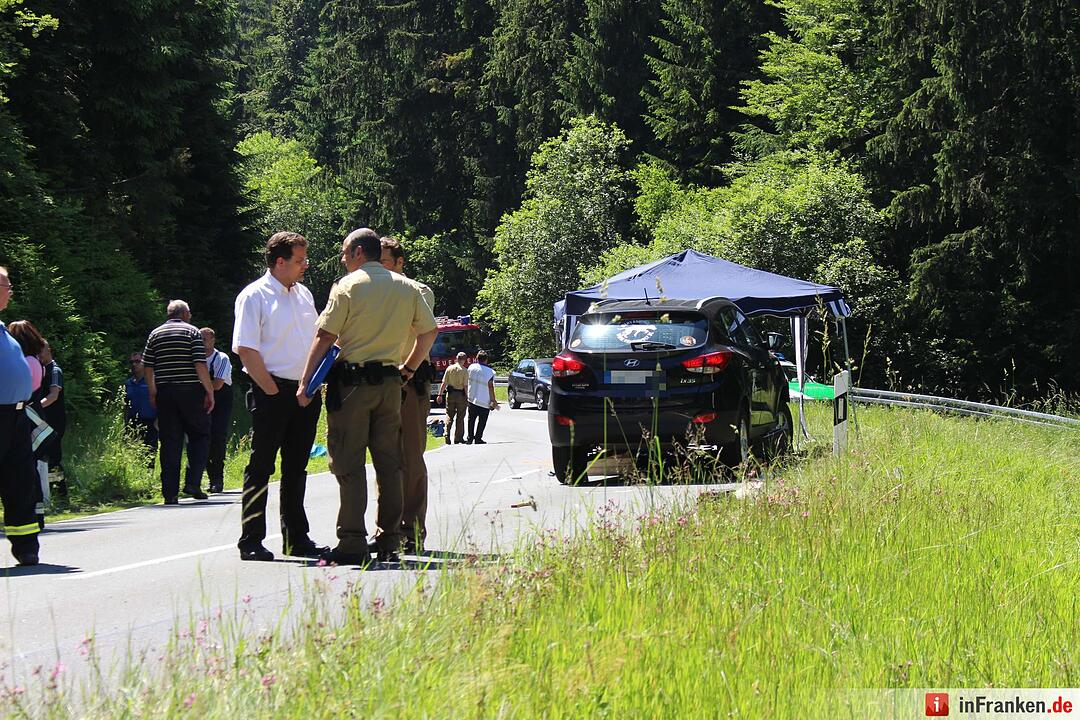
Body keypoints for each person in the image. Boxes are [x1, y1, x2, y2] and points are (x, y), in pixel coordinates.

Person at [296, 228, 437, 565]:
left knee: (348, 462)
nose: (343, 259)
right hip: (391, 384)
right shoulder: (407, 287)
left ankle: (352, 542)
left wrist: (305, 384)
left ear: (359, 252)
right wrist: (407, 369)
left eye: (345, 253)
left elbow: (325, 335)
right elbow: (429, 331)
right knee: (390, 464)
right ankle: (389, 540)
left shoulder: (348, 286)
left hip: (353, 385)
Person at [233, 231, 326, 561]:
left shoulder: (304, 295)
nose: (305, 266)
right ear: (280, 261)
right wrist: (271, 391)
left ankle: (296, 538)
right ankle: (251, 539)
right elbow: (245, 348)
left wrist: (309, 386)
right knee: (261, 466)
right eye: (300, 260)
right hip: (271, 389)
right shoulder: (254, 296)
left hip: (305, 391)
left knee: (297, 467)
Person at [380, 235, 435, 552]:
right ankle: (387, 530)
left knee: (411, 459)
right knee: (386, 460)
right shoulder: (368, 290)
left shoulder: (419, 291)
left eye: (385, 261)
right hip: (379, 383)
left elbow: (419, 332)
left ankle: (413, 531)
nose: (380, 268)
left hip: (409, 381)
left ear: (400, 263)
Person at [142, 300, 215, 504]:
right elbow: (199, 364)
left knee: (169, 441)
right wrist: (209, 392)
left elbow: (148, 365)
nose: (190, 317)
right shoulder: (192, 332)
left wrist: (153, 391)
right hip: (190, 391)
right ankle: (192, 482)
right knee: (200, 435)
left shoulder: (155, 334)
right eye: (189, 313)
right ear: (184, 314)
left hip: (165, 392)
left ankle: (170, 493)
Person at [0, 266, 42, 566]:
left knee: (21, 480)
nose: (11, 290)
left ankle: (26, 546)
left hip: (16, 416)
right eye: (7, 285)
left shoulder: (3, 329)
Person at [8, 320, 49, 526]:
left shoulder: (25, 362)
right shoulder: (35, 361)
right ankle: (37, 513)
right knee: (30, 467)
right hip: (35, 415)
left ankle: (33, 514)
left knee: (24, 469)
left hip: (25, 415)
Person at [200, 327, 233, 494]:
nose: (202, 342)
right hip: (202, 399)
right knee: (203, 437)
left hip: (221, 400)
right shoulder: (195, 359)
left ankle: (218, 479)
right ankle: (208, 476)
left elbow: (218, 384)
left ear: (213, 340)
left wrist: (205, 390)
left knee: (218, 437)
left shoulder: (221, 358)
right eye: (200, 339)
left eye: (205, 339)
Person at [37, 341, 67, 496]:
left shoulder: (54, 371)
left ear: (49, 350)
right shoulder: (40, 370)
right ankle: (47, 494)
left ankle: (61, 495)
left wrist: (36, 408)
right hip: (43, 422)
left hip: (55, 422)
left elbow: (53, 396)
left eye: (41, 351)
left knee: (54, 458)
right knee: (43, 457)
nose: (39, 355)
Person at [124, 352, 158, 465]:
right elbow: (125, 404)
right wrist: (125, 422)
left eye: (137, 361)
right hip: (133, 421)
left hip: (150, 421)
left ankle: (148, 476)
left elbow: (161, 401)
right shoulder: (128, 383)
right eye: (131, 362)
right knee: (132, 450)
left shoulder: (152, 381)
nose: (134, 364)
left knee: (150, 451)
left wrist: (158, 420)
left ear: (144, 363)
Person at [466, 350, 498, 444]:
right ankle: (478, 438)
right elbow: (490, 386)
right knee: (482, 421)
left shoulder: (471, 367)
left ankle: (470, 438)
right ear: (486, 360)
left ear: (477, 358)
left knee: (471, 419)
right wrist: (493, 400)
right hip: (484, 400)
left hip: (472, 398)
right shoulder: (490, 372)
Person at [437, 352, 469, 445]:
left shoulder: (449, 368)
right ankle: (458, 438)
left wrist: (440, 395)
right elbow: (465, 386)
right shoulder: (464, 370)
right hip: (460, 395)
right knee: (460, 417)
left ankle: (447, 434)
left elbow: (444, 383)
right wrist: (467, 397)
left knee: (449, 414)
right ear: (465, 360)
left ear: (456, 358)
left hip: (450, 394)